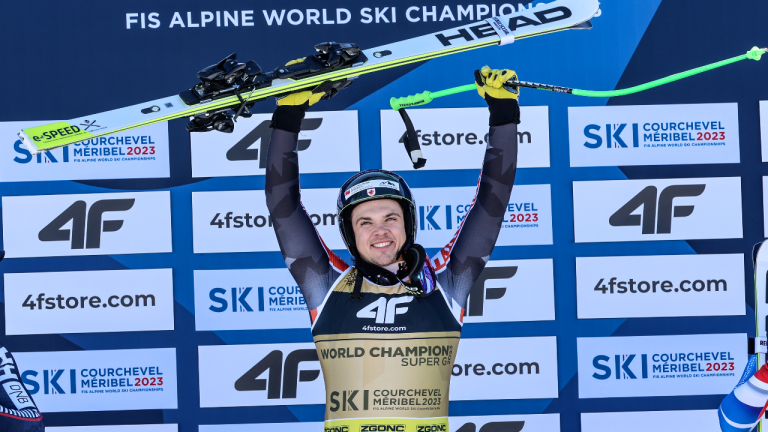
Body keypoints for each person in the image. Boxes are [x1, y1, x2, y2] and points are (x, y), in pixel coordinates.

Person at [265, 66, 520, 431]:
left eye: (390, 218)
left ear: (408, 224)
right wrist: (288, 116)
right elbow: (282, 206)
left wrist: (503, 114)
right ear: (350, 235)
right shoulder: (324, 283)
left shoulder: (447, 282)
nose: (380, 231)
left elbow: (491, 203)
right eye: (364, 222)